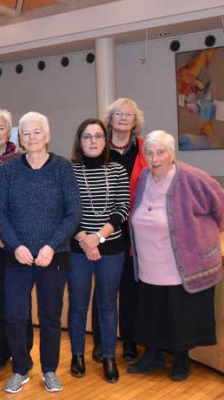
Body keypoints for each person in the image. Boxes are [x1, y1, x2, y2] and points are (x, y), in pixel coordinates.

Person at [0, 111, 81, 394]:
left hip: (53, 256)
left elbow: (73, 214)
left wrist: (50, 246)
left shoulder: (62, 168)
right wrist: (15, 245)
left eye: (36, 132)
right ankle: (21, 369)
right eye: (26, 133)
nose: (31, 138)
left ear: (47, 136)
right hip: (17, 256)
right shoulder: (9, 170)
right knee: (16, 316)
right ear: (20, 138)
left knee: (50, 317)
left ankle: (50, 370)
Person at [128, 130, 224, 381]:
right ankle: (153, 355)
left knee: (179, 310)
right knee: (153, 309)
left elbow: (221, 206)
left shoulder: (192, 177)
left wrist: (208, 236)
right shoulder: (145, 177)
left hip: (181, 261)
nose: (154, 158)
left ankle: (181, 359)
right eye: (149, 153)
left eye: (161, 152)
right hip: (151, 260)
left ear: (172, 154)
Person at [67, 118, 129, 383]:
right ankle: (77, 354)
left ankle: (108, 357)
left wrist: (97, 239)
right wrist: (84, 240)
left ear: (105, 141)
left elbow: (122, 209)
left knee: (106, 304)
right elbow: (65, 210)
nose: (93, 141)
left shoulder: (117, 170)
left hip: (111, 247)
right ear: (79, 141)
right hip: (77, 248)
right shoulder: (67, 171)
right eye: (87, 136)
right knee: (79, 305)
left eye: (98, 136)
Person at [88, 98, 147, 363]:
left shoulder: (146, 149)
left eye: (129, 115)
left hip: (137, 231)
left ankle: (130, 342)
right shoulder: (99, 149)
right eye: (118, 114)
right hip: (105, 230)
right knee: (104, 290)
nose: (123, 118)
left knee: (131, 290)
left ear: (135, 121)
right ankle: (101, 343)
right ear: (110, 120)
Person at [0, 108, 34, 371]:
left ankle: (24, 350)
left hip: (20, 242)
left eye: (1, 128)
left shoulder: (23, 161)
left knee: (20, 299)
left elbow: (26, 203)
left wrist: (11, 237)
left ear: (9, 131)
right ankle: (0, 351)